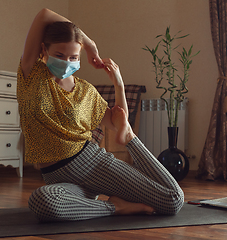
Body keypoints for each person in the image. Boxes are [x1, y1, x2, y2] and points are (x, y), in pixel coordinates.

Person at [17, 8, 184, 222]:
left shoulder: (85, 91)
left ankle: (131, 142)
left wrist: (119, 85)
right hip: (55, 176)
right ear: (44, 50)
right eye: (59, 55)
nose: (66, 62)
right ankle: (115, 208)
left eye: (73, 57)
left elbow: (117, 122)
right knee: (42, 202)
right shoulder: (32, 74)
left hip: (93, 164)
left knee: (172, 200)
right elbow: (43, 15)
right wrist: (89, 43)